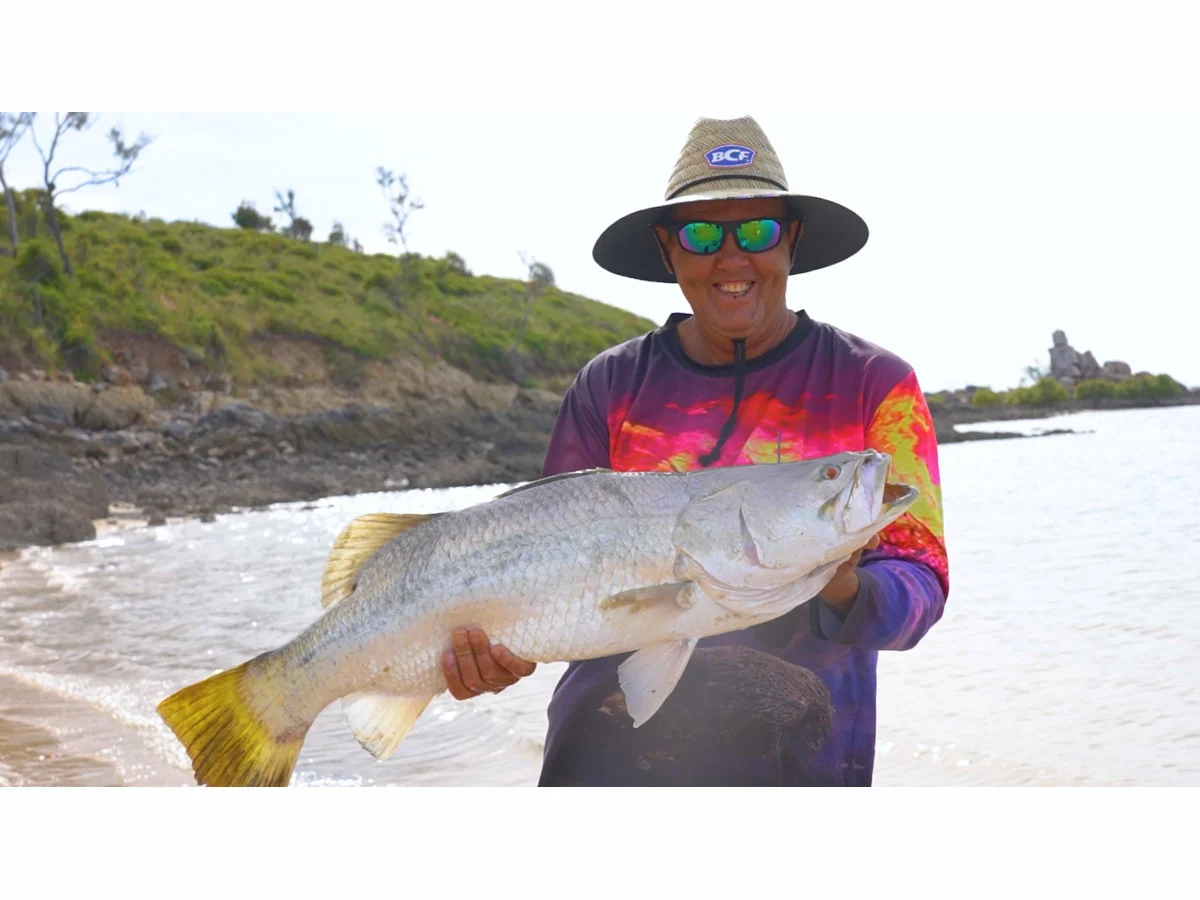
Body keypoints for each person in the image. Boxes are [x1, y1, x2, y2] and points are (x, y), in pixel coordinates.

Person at [439, 115, 949, 786]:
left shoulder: (875, 385)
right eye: (702, 233)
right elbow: (547, 572)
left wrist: (844, 582)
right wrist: (494, 656)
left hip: (798, 763)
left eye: (758, 231)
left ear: (791, 241)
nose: (732, 257)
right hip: (605, 755)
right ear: (667, 249)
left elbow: (921, 590)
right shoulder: (608, 387)